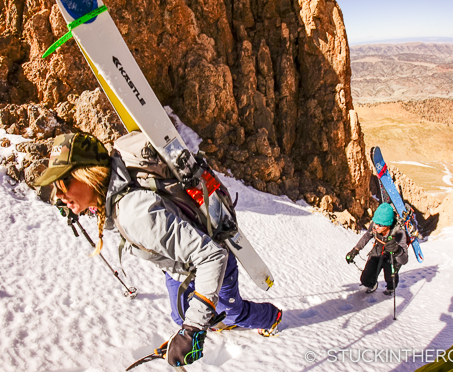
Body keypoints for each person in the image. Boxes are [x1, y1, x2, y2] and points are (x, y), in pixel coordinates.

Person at [34, 132, 281, 367]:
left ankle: (270, 317)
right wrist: (81, 205)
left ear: (89, 174)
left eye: (63, 182)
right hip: (180, 267)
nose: (59, 195)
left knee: (232, 312)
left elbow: (212, 256)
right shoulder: (117, 190)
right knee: (179, 315)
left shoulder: (134, 213)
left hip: (213, 263)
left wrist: (193, 329)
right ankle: (210, 317)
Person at [346, 203, 408, 295]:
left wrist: (397, 250)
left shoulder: (399, 233)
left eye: (380, 224)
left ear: (389, 223)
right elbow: (367, 236)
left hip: (392, 256)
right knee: (365, 278)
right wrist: (355, 250)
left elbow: (404, 260)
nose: (376, 226)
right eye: (375, 223)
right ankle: (371, 284)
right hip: (378, 250)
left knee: (391, 277)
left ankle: (390, 288)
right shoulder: (375, 225)